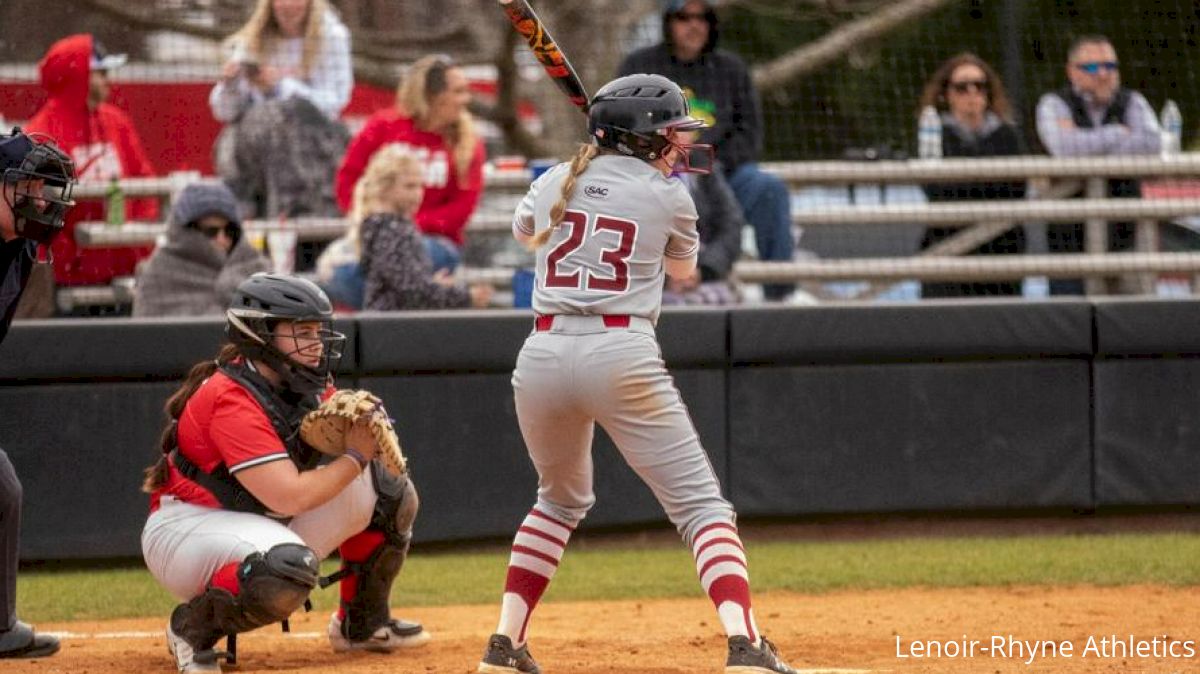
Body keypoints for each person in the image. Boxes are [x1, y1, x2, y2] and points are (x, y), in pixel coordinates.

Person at [475, 74, 796, 674]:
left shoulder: (551, 182)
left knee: (558, 501)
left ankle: (504, 645)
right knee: (702, 508)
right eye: (671, 132)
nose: (680, 142)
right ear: (642, 138)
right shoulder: (669, 195)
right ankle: (746, 645)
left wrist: (590, 177)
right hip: (620, 350)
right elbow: (683, 274)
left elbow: (525, 235)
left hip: (542, 355)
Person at [140, 273, 429, 673]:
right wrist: (355, 457)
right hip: (189, 529)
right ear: (260, 335)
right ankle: (191, 629)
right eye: (301, 331)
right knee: (287, 568)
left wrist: (367, 429)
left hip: (259, 520)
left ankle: (361, 624)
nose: (315, 343)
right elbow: (287, 496)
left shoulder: (303, 383)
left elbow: (349, 454)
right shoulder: (231, 396)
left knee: (389, 490)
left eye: (318, 330)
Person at [618, 0, 794, 301]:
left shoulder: (732, 70)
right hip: (656, 174)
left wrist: (706, 163)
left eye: (703, 17)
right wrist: (665, 157)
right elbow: (621, 125)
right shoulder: (639, 67)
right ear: (668, 22)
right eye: (684, 17)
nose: (694, 25)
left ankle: (779, 296)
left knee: (768, 189)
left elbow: (749, 135)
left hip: (719, 172)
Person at [0, 128, 75, 658]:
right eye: (28, 187)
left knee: (3, 490)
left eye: (46, 190)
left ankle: (1, 629)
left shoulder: (23, 250)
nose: (41, 200)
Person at [25, 34, 158, 291]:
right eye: (101, 72)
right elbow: (35, 211)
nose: (109, 79)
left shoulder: (117, 123)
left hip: (124, 270)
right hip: (67, 279)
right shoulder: (40, 134)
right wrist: (72, 259)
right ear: (80, 76)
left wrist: (136, 247)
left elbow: (145, 185)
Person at [335, 54, 486, 274]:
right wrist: (376, 223)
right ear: (432, 96)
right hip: (377, 235)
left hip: (435, 242)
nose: (466, 99)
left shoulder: (468, 143)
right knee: (339, 272)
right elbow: (348, 181)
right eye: (458, 92)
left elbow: (461, 209)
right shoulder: (383, 127)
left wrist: (404, 228)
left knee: (394, 258)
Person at [1035, 34, 1161, 295]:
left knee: (1132, 326)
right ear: (1072, 72)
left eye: (1110, 66)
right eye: (1092, 67)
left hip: (1125, 240)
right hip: (1069, 243)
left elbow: (1151, 144)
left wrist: (1088, 149)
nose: (1103, 74)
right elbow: (1065, 149)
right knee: (1068, 327)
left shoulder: (1132, 101)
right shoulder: (1054, 103)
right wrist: (1118, 133)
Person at [211, 0, 353, 220]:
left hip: (313, 146)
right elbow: (225, 112)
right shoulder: (252, 39)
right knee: (233, 137)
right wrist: (230, 86)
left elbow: (334, 102)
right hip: (256, 145)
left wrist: (280, 86)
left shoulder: (332, 37)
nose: (288, 5)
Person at [916, 53, 1027, 298]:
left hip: (1002, 248)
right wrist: (986, 182)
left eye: (980, 85)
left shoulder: (1007, 134)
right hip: (946, 246)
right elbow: (936, 190)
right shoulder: (934, 132)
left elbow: (1016, 189)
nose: (972, 93)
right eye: (962, 87)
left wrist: (963, 181)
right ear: (946, 94)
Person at [348, 145, 492, 310]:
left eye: (420, 186)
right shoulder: (392, 231)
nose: (418, 194)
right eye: (409, 186)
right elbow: (414, 293)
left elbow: (407, 285)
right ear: (384, 188)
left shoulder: (381, 227)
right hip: (392, 328)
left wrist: (432, 284)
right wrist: (466, 296)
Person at [132, 182, 271, 317]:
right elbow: (149, 336)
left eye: (230, 231)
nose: (222, 239)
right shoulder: (160, 275)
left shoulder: (256, 269)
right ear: (186, 232)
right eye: (211, 231)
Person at [663, 150, 744, 306]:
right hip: (656, 281)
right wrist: (670, 273)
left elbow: (732, 225)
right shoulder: (642, 175)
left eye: (688, 130)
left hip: (703, 272)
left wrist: (704, 269)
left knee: (723, 298)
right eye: (676, 130)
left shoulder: (705, 168)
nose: (683, 136)